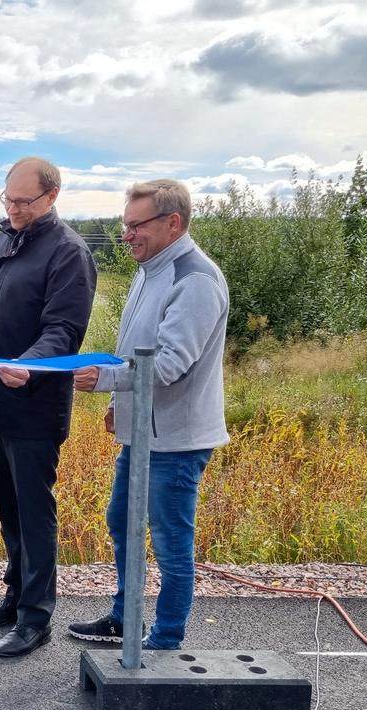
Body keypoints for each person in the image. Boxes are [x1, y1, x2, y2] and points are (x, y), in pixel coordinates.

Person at [68, 179, 230, 650]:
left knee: (170, 545)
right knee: (121, 520)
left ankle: (165, 640)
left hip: (176, 442)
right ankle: (126, 617)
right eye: (125, 224)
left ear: (172, 222)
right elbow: (137, 350)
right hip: (144, 434)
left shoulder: (194, 280)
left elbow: (170, 364)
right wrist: (122, 406)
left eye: (136, 225)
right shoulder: (151, 269)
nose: (127, 234)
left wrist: (106, 382)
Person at [0, 157, 97, 658]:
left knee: (34, 509)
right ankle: (15, 595)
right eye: (9, 199)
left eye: (25, 202)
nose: (15, 209)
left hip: (34, 404)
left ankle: (36, 616)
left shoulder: (69, 253)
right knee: (7, 508)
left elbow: (63, 330)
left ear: (53, 196)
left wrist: (30, 363)